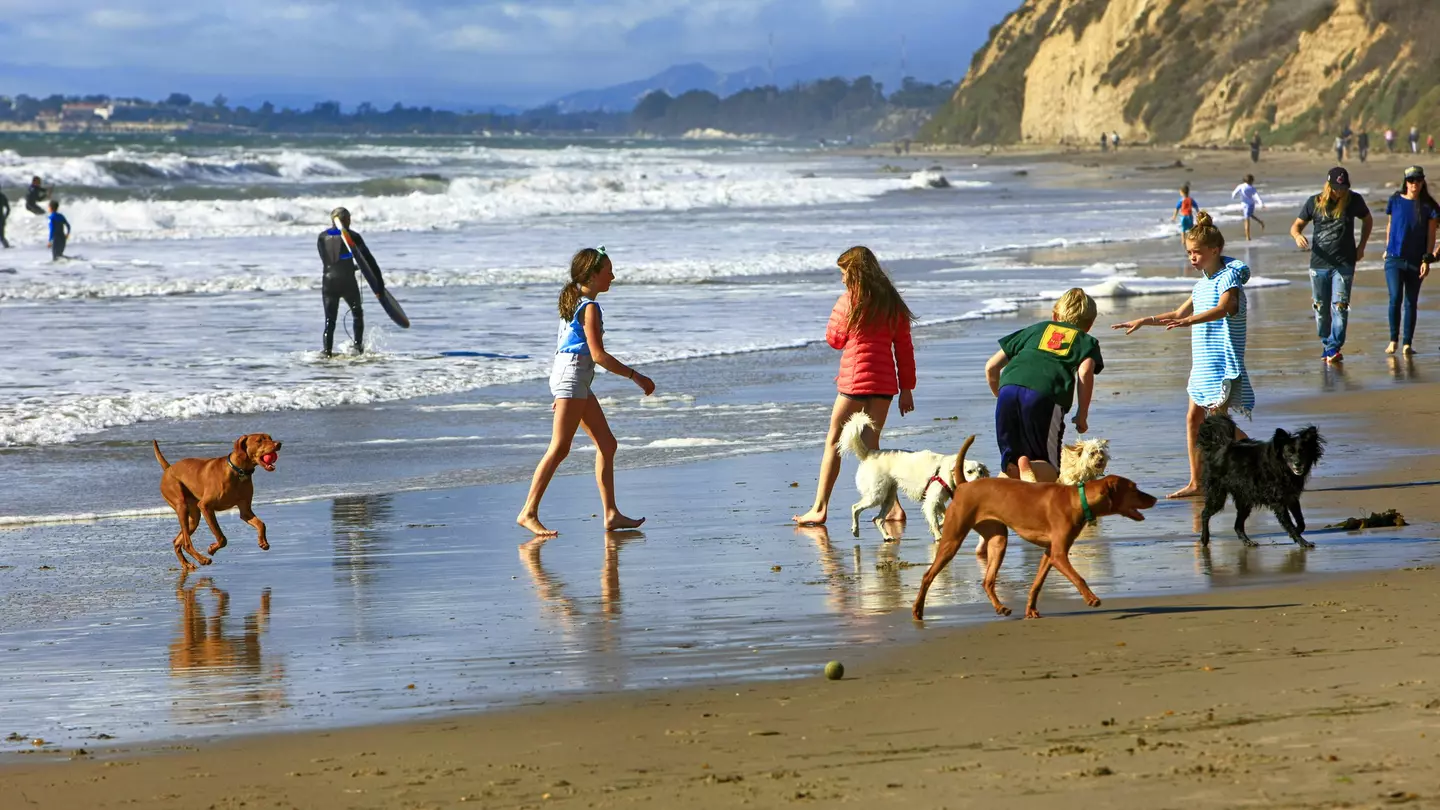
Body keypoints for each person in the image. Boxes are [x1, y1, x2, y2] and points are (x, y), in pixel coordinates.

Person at [516, 246, 656, 537]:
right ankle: (528, 512)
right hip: (571, 380)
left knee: (607, 444)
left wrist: (563, 392)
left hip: (571, 380)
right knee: (560, 448)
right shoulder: (589, 307)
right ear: (592, 276)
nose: (613, 277)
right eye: (608, 273)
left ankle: (611, 514)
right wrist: (636, 377)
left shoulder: (576, 301)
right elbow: (598, 355)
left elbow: (567, 349)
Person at [1113, 211, 1252, 499]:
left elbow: (1226, 307)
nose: (1192, 257)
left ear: (1214, 250)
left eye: (1197, 252)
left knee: (1218, 423)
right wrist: (1144, 320)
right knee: (1193, 419)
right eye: (1189, 252)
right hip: (1201, 361)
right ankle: (1196, 482)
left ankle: (1254, 460)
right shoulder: (1201, 284)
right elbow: (1177, 314)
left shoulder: (1229, 279)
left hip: (1221, 360)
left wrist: (1190, 321)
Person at [793, 246, 916, 526]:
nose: (841, 279)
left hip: (855, 382)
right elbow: (904, 349)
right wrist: (906, 388)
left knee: (834, 441)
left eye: (843, 272)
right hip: (884, 385)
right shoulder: (892, 303)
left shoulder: (848, 301)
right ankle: (893, 508)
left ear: (854, 272)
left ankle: (820, 507)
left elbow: (834, 339)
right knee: (872, 447)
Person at [984, 288, 1102, 483]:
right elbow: (1085, 372)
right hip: (1046, 396)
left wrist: (1003, 395)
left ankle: (997, 505)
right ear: (1089, 325)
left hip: (1008, 391)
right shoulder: (1086, 341)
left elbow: (991, 367)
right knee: (1049, 466)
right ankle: (1027, 465)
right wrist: (1082, 414)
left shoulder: (1037, 329)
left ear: (1055, 315)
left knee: (1010, 465)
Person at [1291, 167, 1373, 363]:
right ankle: (1327, 344)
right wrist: (1297, 236)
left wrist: (1361, 246)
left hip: (1344, 263)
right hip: (1319, 265)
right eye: (1336, 187)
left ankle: (1334, 347)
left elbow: (1368, 220)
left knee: (1340, 306)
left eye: (1343, 187)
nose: (1340, 191)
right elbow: (1296, 226)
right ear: (1329, 185)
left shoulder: (1354, 200)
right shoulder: (1315, 202)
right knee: (1321, 308)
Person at [1382, 166, 1440, 356]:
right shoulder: (1395, 201)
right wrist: (1387, 247)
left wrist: (1427, 259)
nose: (1415, 184)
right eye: (1411, 180)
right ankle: (1393, 340)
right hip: (1394, 259)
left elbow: (1431, 236)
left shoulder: (1429, 207)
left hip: (1416, 261)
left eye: (1418, 180)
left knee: (1411, 301)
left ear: (1423, 182)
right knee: (1395, 298)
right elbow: (1390, 225)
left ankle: (1407, 343)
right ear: (1405, 182)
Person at [317, 207, 382, 357]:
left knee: (329, 320)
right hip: (347, 282)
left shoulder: (321, 237)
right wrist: (378, 282)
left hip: (328, 282)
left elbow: (329, 261)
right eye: (349, 218)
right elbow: (368, 259)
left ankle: (327, 352)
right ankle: (358, 348)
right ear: (345, 220)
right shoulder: (353, 236)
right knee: (357, 313)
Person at [1231, 174, 1265, 241]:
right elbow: (1257, 196)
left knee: (1247, 220)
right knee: (1250, 215)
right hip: (1251, 204)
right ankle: (1260, 222)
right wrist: (1261, 204)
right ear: (1251, 181)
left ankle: (1248, 237)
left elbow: (1234, 194)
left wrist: (1235, 197)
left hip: (1245, 205)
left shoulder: (1240, 186)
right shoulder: (1251, 188)